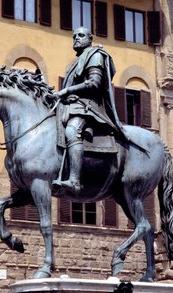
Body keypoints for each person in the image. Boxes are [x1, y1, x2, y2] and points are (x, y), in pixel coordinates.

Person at [52, 26, 127, 193]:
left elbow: (94, 83)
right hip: (73, 105)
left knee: (72, 131)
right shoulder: (77, 61)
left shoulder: (95, 56)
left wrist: (68, 91)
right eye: (74, 36)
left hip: (88, 106)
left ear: (90, 39)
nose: (76, 38)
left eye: (80, 35)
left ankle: (74, 180)